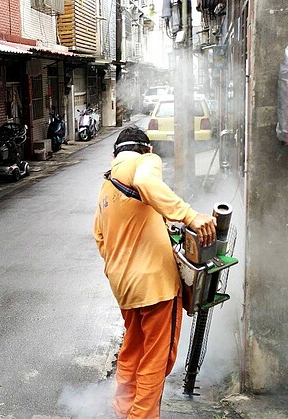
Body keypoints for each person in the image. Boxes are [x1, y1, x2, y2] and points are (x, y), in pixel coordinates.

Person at [93, 126, 216, 418]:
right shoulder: (144, 161)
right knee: (156, 360)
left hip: (124, 289)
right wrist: (190, 215)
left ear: (114, 155)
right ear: (147, 149)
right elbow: (146, 180)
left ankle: (123, 410)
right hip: (156, 287)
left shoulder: (105, 188)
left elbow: (100, 238)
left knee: (132, 352)